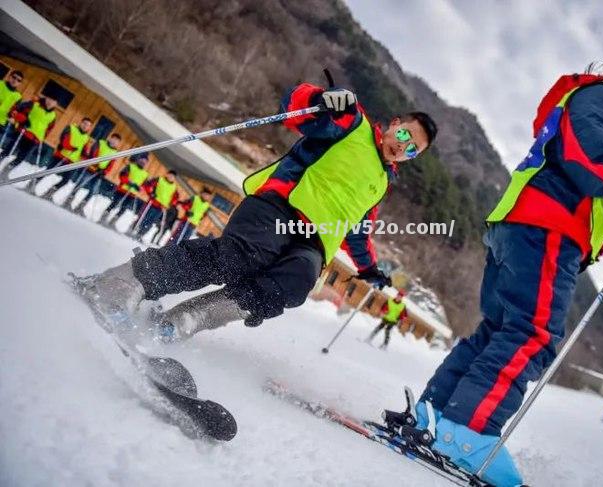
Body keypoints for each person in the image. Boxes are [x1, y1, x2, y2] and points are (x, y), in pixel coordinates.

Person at [409, 35, 603, 486]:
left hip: (519, 224)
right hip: (545, 228)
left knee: (497, 332)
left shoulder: (581, 98)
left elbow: (562, 163)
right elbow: (588, 163)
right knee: (531, 335)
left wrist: (594, 238)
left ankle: (432, 416)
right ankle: (468, 433)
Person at [76, 82, 437, 342]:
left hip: (315, 244)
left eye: (413, 151)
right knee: (240, 257)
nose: (404, 148)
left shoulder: (382, 182)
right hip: (281, 206)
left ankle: (188, 318)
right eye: (405, 136)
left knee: (291, 286)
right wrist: (321, 99)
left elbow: (358, 231)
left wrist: (369, 269)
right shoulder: (352, 124)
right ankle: (124, 281)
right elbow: (296, 111)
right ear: (393, 124)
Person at [71, 133, 122, 212]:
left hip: (100, 173)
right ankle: (70, 198)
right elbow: (93, 152)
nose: (114, 142)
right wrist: (96, 164)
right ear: (110, 138)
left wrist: (104, 172)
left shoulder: (115, 152)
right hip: (91, 168)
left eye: (117, 141)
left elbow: (111, 164)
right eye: (114, 139)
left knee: (93, 190)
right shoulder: (101, 143)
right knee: (81, 183)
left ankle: (81, 206)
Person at [42, 117, 93, 197]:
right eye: (84, 124)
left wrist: (86, 156)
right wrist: (70, 147)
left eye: (88, 125)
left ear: (89, 128)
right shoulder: (71, 128)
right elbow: (64, 140)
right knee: (48, 171)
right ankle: (35, 182)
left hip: (72, 162)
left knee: (66, 180)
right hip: (61, 156)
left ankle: (50, 192)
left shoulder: (86, 138)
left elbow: (84, 150)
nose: (85, 126)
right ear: (81, 123)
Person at [6, 95, 57, 167]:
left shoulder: (53, 116)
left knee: (21, 156)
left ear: (56, 103)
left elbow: (49, 129)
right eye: (49, 99)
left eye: (53, 101)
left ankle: (9, 168)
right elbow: (18, 111)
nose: (50, 102)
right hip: (24, 132)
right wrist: (23, 120)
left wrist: (42, 138)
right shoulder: (34, 104)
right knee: (9, 149)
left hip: (35, 139)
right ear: (46, 98)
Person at [101, 154, 150, 226]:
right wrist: (129, 182)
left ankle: (113, 221)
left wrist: (139, 188)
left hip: (132, 193)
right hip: (123, 189)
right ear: (139, 159)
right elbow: (122, 175)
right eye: (142, 160)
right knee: (115, 203)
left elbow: (144, 185)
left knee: (124, 208)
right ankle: (104, 216)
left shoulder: (145, 174)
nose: (143, 162)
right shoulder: (130, 166)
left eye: (145, 161)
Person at [133, 169, 180, 240]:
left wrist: (169, 205)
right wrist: (151, 193)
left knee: (151, 221)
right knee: (143, 216)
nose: (171, 177)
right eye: (170, 175)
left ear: (174, 178)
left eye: (173, 176)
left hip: (161, 207)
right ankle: (134, 229)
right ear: (167, 174)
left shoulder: (174, 187)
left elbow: (175, 198)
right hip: (152, 202)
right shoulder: (159, 180)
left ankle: (141, 234)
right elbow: (147, 185)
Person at [0, 70, 24, 150]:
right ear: (9, 76)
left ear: (20, 83)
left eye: (18, 80)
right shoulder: (0, 84)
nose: (15, 80)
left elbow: (16, 110)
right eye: (14, 77)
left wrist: (13, 116)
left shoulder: (18, 96)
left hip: (1, 121)